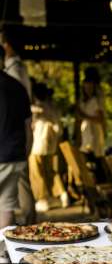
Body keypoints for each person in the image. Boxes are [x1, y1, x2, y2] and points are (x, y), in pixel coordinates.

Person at [1, 29, 36, 224]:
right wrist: (26, 149)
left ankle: (30, 226)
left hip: (9, 149)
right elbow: (27, 123)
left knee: (10, 203)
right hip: (14, 150)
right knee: (7, 205)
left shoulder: (15, 71)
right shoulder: (17, 83)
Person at [29, 83, 68, 212]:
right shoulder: (52, 108)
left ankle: (43, 199)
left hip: (37, 145)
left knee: (37, 173)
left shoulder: (36, 108)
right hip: (50, 145)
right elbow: (59, 129)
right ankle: (62, 194)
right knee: (50, 171)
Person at [76, 67, 106, 158]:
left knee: (95, 157)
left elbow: (100, 119)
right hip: (86, 133)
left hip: (94, 134)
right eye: (86, 87)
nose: (87, 89)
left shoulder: (96, 100)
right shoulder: (84, 101)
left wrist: (84, 116)